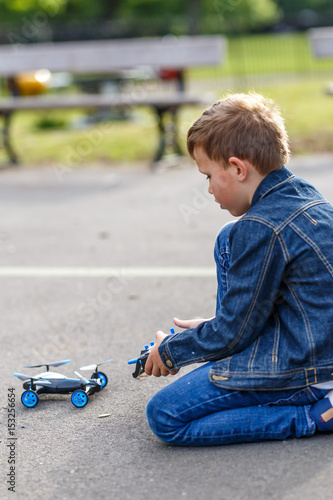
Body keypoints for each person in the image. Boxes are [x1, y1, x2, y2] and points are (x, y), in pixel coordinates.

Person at [144, 92, 333, 446]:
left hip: (310, 369)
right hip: (316, 342)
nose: (209, 188)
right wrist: (217, 329)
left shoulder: (261, 228)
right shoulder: (303, 194)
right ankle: (230, 350)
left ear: (238, 168)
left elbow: (234, 330)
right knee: (227, 238)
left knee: (165, 416)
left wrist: (171, 351)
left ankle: (310, 416)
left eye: (208, 176)